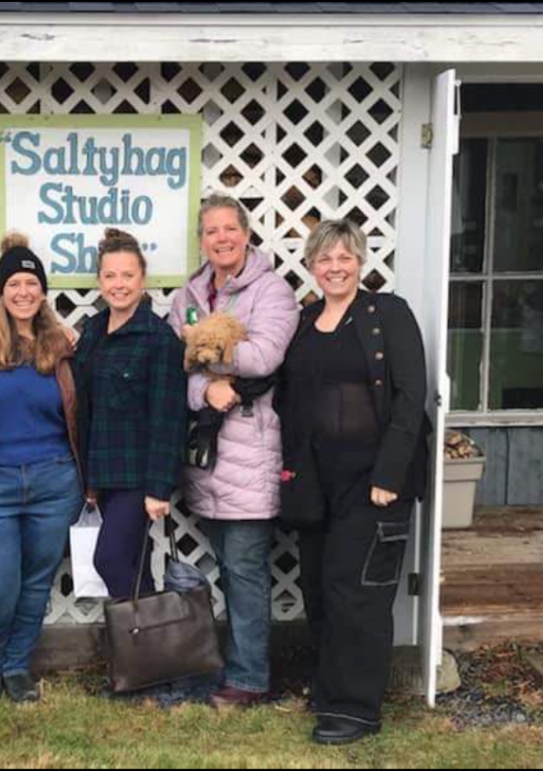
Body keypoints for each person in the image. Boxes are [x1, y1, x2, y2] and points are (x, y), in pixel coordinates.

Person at [276, 218, 430, 745]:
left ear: (360, 261)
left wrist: (390, 473)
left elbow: (411, 396)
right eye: (325, 258)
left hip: (373, 482)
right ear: (311, 266)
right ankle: (328, 690)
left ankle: (357, 708)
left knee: (356, 590)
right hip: (316, 480)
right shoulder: (304, 320)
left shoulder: (388, 314)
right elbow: (281, 388)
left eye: (345, 257)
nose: (335, 267)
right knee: (318, 586)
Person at [169, 194, 299, 709]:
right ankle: (233, 666)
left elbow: (265, 356)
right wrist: (206, 388)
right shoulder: (189, 294)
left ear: (246, 234)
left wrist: (203, 353)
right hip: (207, 456)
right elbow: (176, 367)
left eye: (230, 228)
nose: (221, 238)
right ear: (201, 241)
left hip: (250, 453)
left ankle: (249, 678)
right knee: (227, 566)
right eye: (211, 231)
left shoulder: (272, 291)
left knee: (245, 571)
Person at [0, 233, 83, 705]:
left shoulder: (63, 345)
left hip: (54, 479)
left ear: (43, 291)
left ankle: (16, 665)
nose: (24, 292)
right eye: (14, 284)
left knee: (34, 583)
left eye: (32, 283)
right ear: (1, 291)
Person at [74, 228, 188, 599]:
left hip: (137, 476)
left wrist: (158, 488)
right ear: (99, 281)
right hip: (102, 474)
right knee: (134, 563)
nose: (118, 284)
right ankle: (148, 635)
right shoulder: (92, 331)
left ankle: (148, 633)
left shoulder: (159, 339)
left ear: (143, 280)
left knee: (110, 559)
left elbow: (168, 419)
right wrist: (89, 479)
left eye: (127, 275)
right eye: (110, 275)